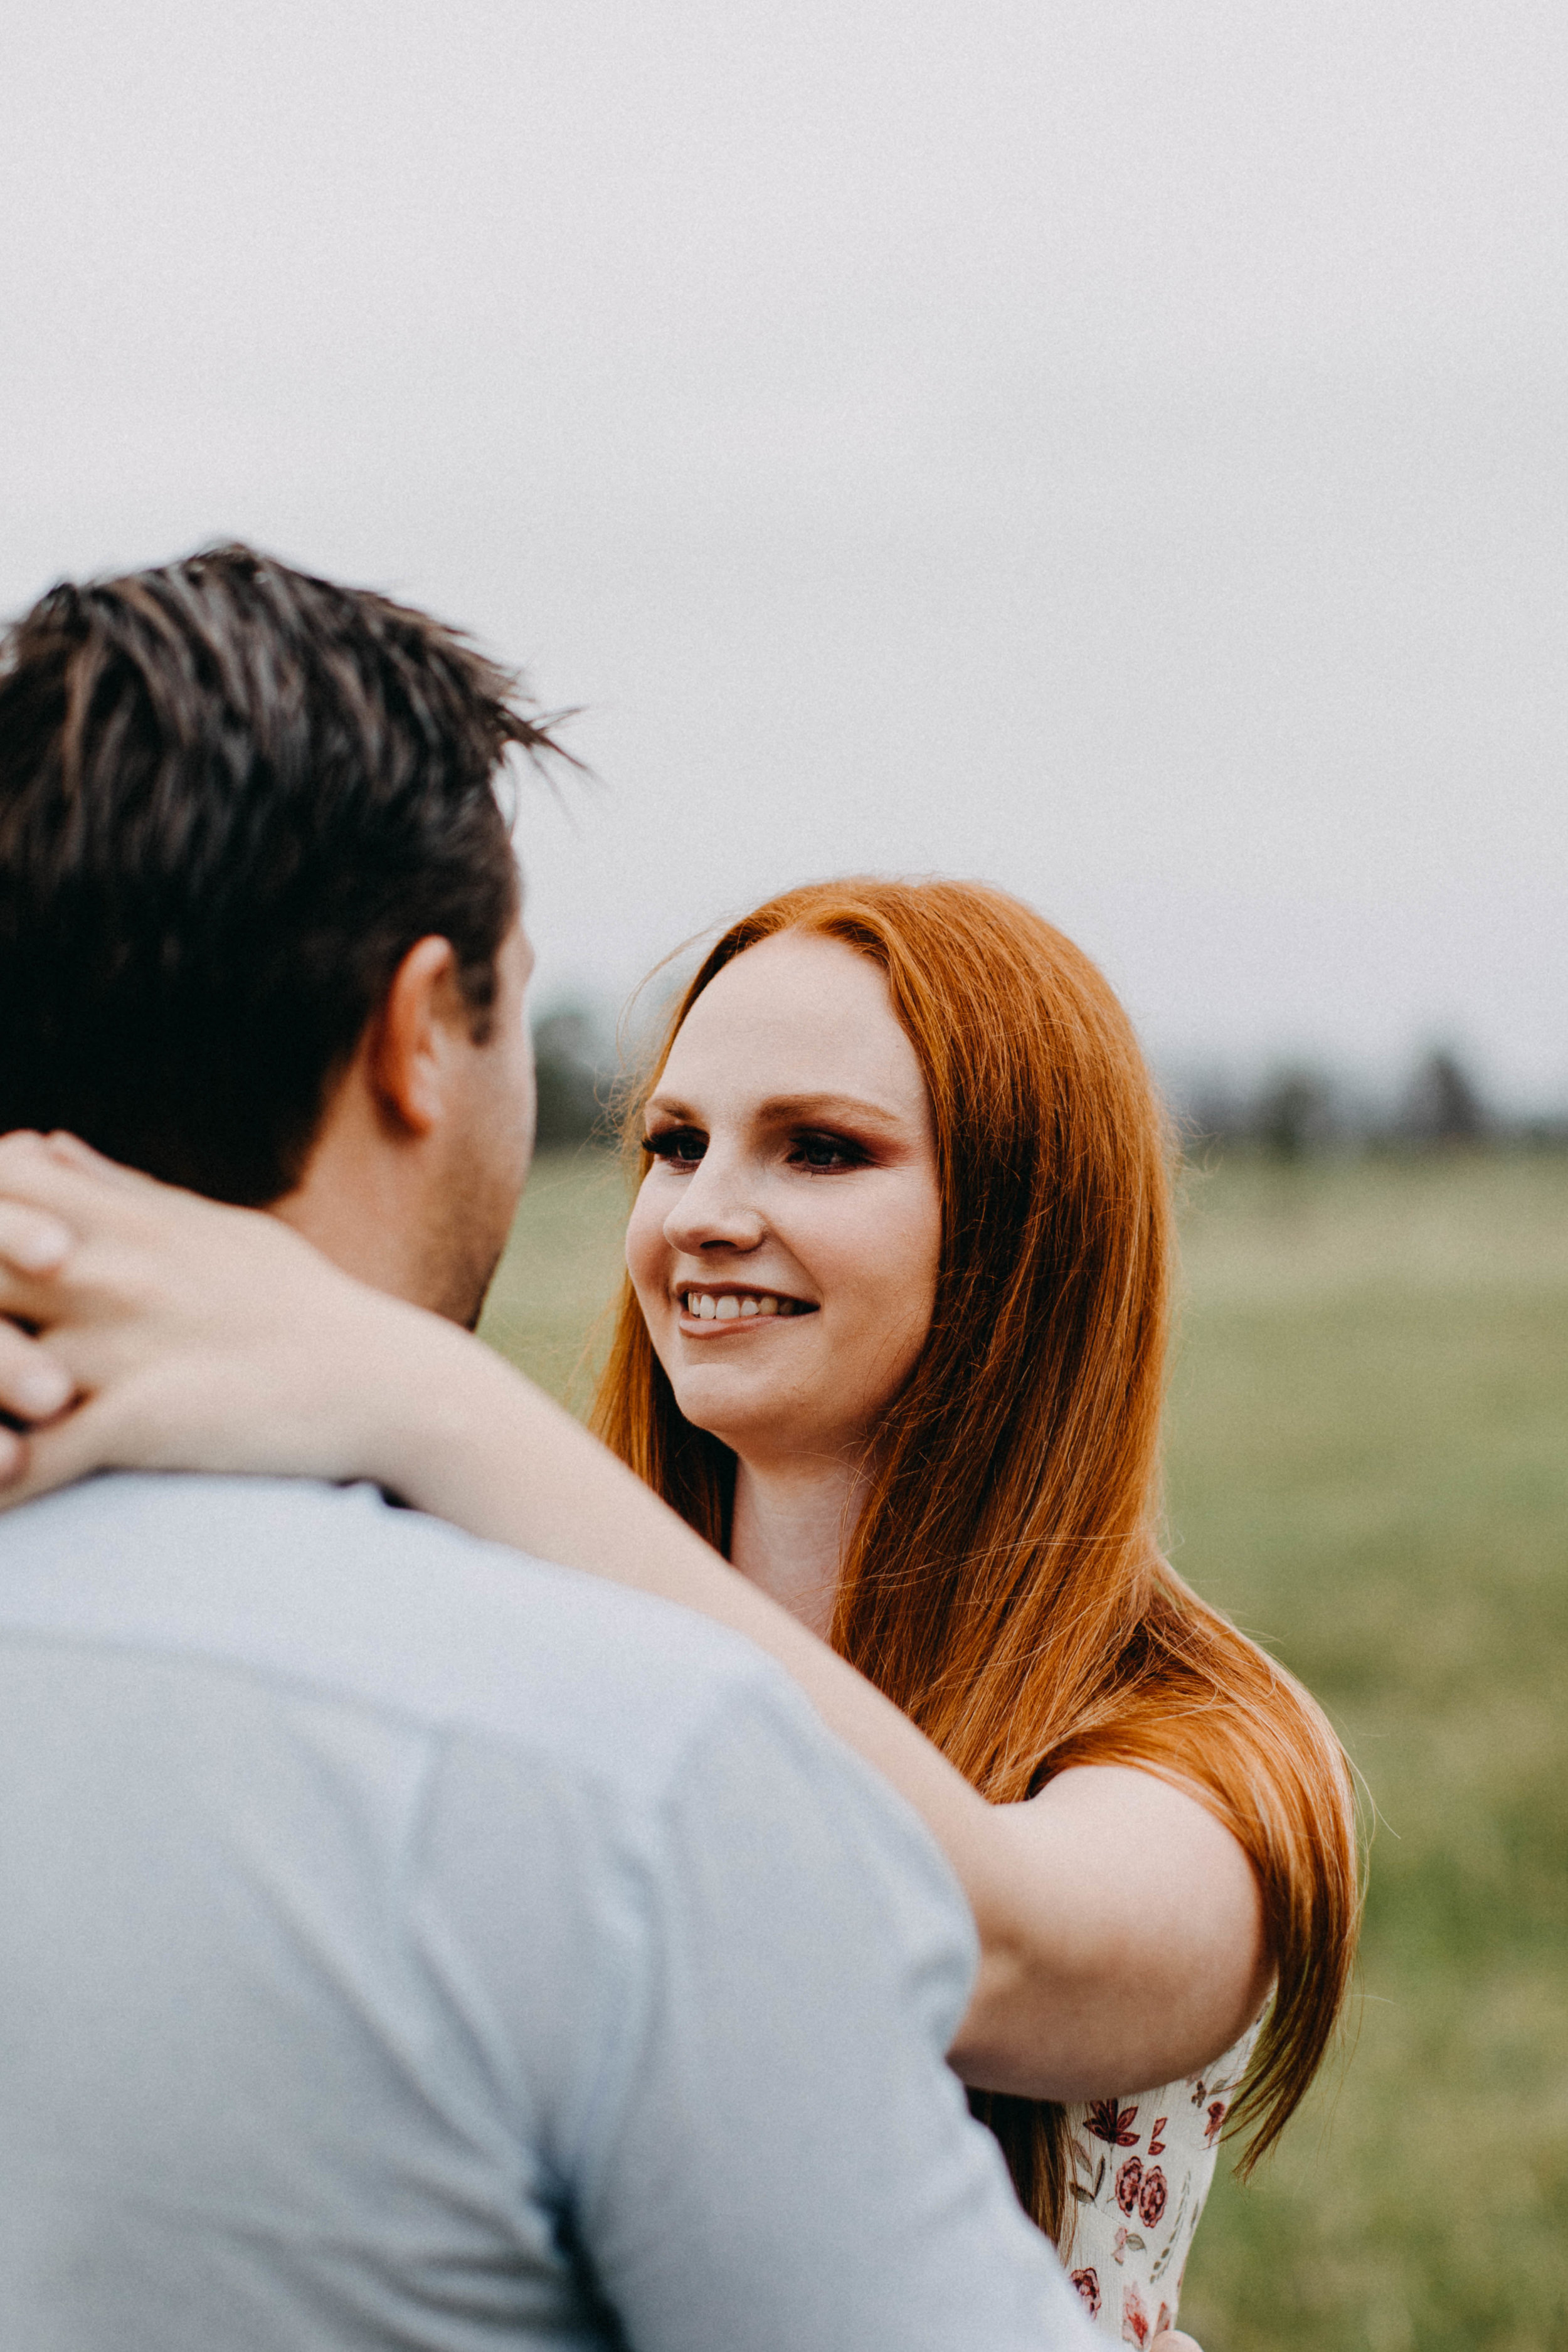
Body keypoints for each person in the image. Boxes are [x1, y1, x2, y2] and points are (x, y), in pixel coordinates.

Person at [0, 546, 1113, 2351]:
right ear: (418, 1034)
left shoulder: (1166, 1749)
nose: (706, 1213)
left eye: (817, 1148)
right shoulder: (627, 1772)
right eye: (668, 1140)